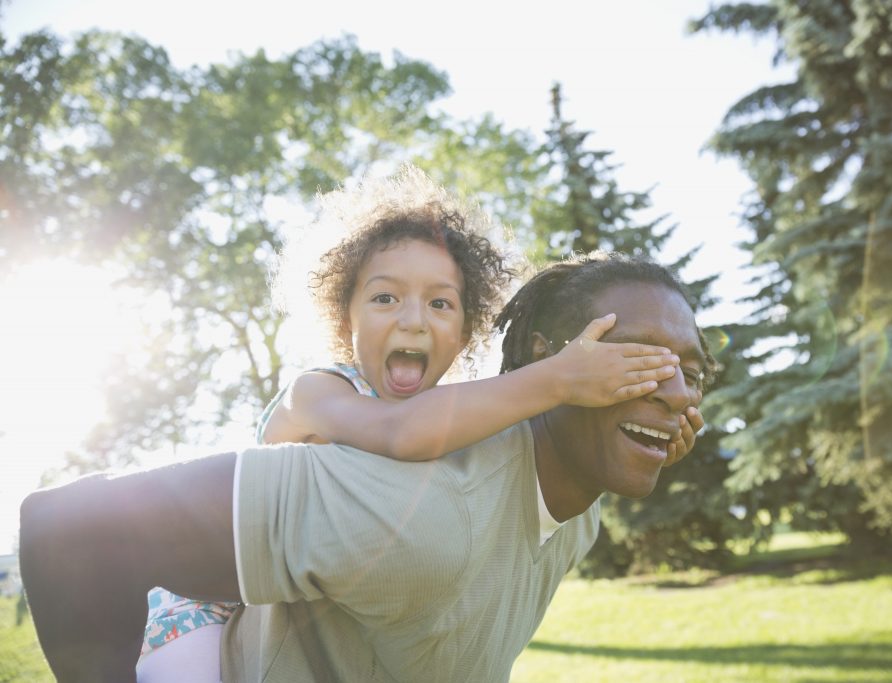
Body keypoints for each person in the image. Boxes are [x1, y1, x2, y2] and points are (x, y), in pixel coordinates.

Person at [20, 251, 715, 683]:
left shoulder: (577, 505)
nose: (677, 390)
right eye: (638, 359)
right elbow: (69, 529)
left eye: (690, 371)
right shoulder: (414, 506)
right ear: (548, 362)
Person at [136, 168, 684, 682]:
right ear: (343, 315)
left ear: (467, 331)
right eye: (384, 297)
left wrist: (649, 438)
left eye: (441, 304)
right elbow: (399, 432)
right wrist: (557, 379)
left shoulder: (447, 417)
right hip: (199, 604)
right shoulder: (319, 392)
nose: (413, 319)